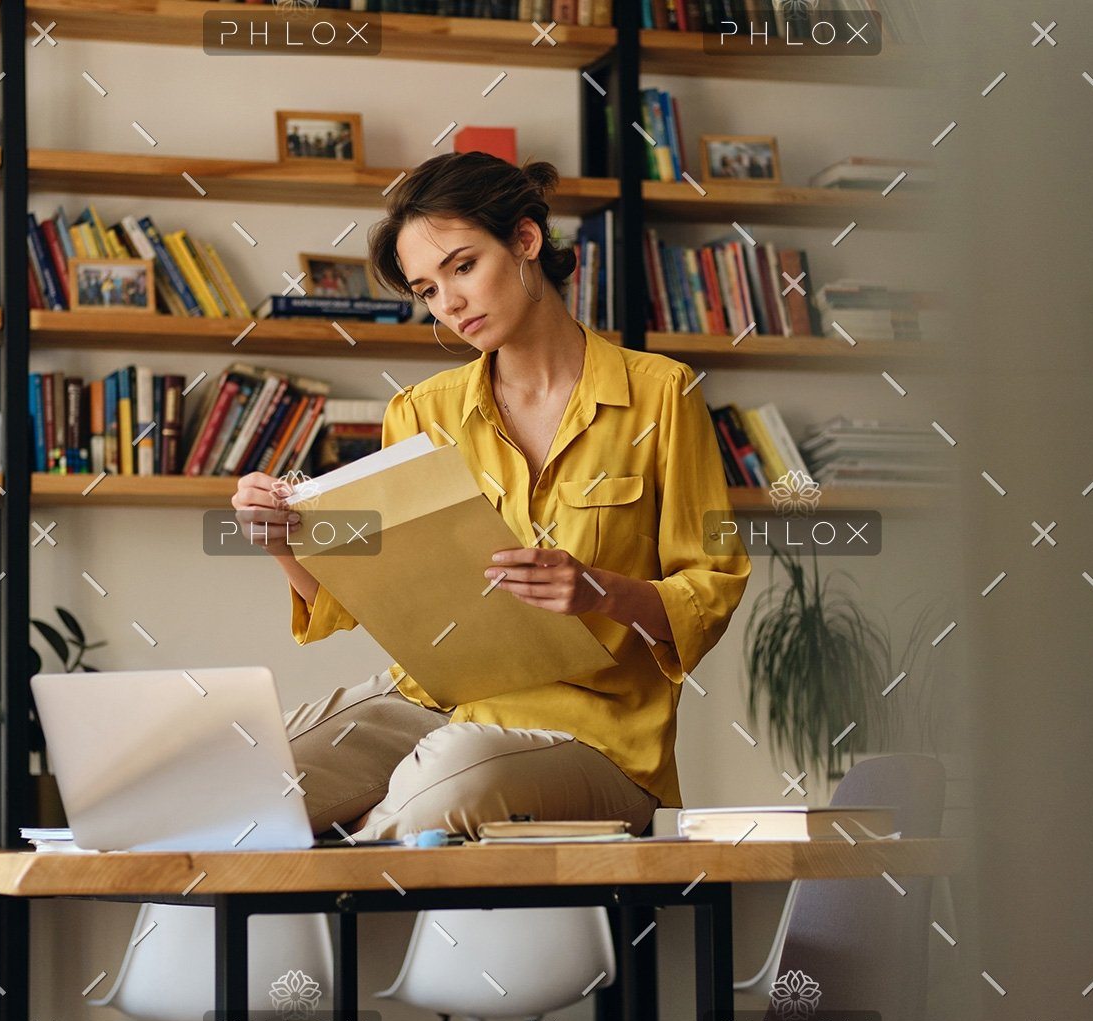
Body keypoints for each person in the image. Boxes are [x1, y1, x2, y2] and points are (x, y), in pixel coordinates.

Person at [229, 151, 750, 840]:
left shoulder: (663, 394)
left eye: (463, 266)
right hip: (435, 704)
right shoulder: (419, 412)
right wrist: (280, 541)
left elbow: (710, 586)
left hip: (599, 734)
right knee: (242, 779)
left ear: (526, 240)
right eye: (426, 289)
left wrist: (599, 592)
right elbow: (363, 596)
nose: (449, 303)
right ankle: (350, 849)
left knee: (445, 779)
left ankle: (359, 846)